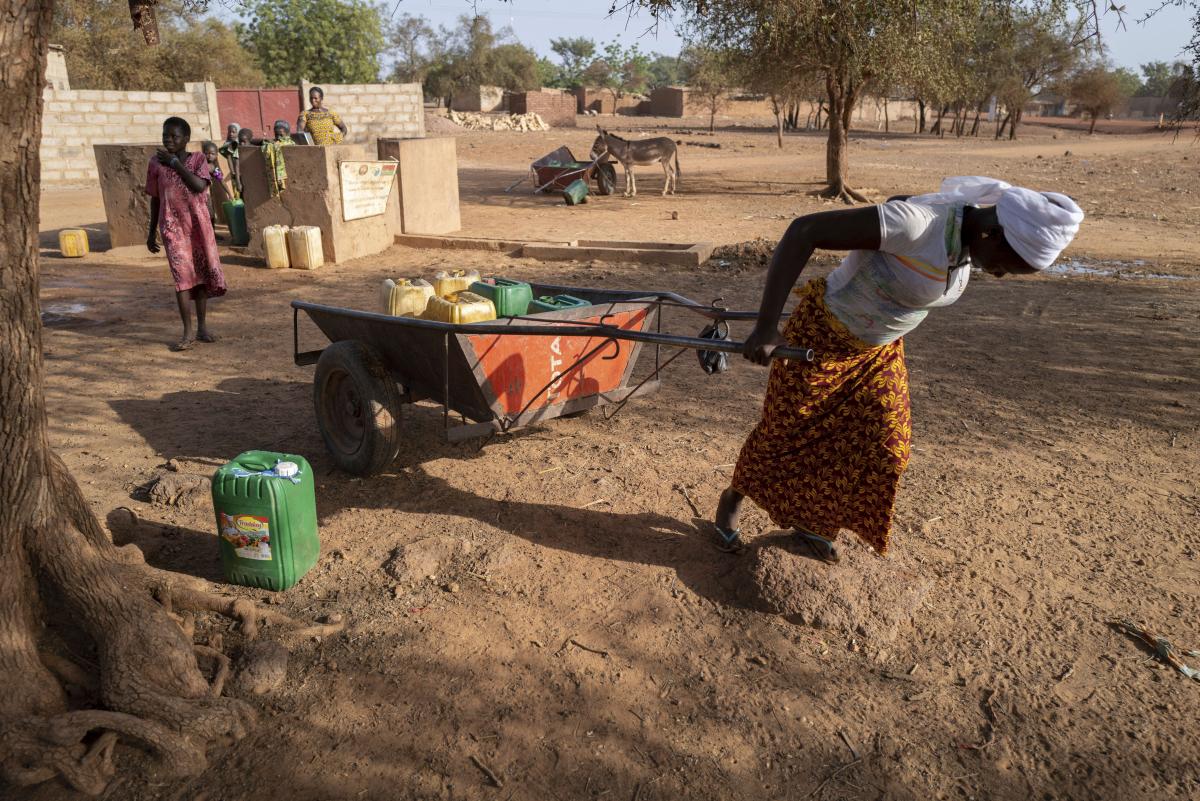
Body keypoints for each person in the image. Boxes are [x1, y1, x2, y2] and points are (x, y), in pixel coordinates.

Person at [713, 177, 1084, 562]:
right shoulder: (918, 224)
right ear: (992, 232)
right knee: (786, 432)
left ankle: (813, 525)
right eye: (1006, 265)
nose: (1001, 275)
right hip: (821, 336)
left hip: (878, 352)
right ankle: (733, 498)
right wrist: (766, 326)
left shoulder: (965, 241)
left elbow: (896, 205)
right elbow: (804, 230)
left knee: (887, 447)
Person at [146, 117, 227, 352]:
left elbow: (199, 186)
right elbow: (155, 198)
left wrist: (174, 163)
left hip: (199, 227)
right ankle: (187, 332)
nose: (169, 140)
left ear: (186, 139)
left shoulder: (199, 159)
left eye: (174, 136)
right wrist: (151, 233)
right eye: (165, 135)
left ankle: (202, 328)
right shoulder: (155, 164)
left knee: (200, 276)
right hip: (172, 228)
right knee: (182, 279)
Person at [218, 123, 242, 197]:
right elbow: (229, 159)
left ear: (238, 132)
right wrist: (233, 172)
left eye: (233, 132)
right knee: (238, 192)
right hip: (235, 171)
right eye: (229, 132)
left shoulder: (241, 142)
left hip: (243, 168)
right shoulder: (228, 145)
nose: (231, 134)